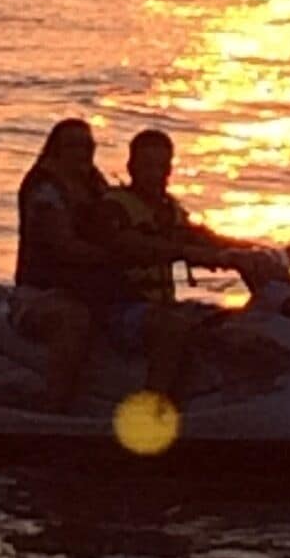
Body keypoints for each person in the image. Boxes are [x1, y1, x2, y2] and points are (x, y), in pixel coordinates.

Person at [97, 127, 276, 402]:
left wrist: (252, 252)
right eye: (147, 165)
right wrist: (195, 255)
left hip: (161, 305)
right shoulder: (114, 207)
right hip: (118, 308)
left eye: (161, 166)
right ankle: (152, 409)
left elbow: (203, 238)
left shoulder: (170, 211)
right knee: (172, 327)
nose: (155, 174)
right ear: (131, 166)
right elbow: (132, 244)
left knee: (228, 322)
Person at [12, 116, 117, 407]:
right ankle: (55, 402)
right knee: (73, 321)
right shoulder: (45, 192)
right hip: (41, 293)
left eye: (88, 145)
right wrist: (117, 256)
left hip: (87, 290)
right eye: (73, 146)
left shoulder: (95, 186)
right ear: (56, 150)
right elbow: (63, 246)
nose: (82, 152)